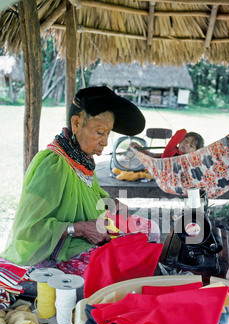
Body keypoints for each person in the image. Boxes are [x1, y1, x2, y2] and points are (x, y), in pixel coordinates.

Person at [1, 86, 160, 277]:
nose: (105, 142)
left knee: (150, 230)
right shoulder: (52, 165)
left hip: (94, 229)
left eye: (108, 133)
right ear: (76, 124)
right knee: (111, 267)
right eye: (100, 132)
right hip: (60, 247)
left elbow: (91, 197)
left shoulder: (81, 157)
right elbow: (29, 230)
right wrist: (81, 229)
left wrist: (113, 204)